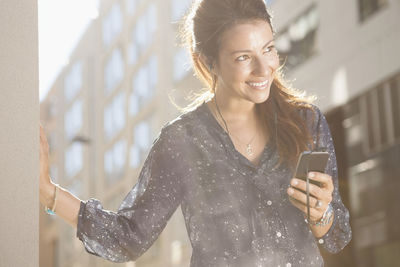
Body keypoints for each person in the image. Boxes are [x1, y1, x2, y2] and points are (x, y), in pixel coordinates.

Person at [39, 0, 352, 266]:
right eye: (243, 57)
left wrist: (321, 212)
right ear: (209, 62)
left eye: (268, 49)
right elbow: (126, 238)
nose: (263, 68)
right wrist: (47, 192)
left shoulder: (305, 122)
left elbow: (337, 237)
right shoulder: (181, 143)